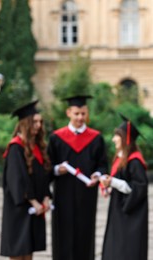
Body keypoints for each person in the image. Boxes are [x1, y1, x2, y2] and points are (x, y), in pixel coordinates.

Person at [47, 95, 109, 260]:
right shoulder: (56, 138)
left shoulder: (95, 138)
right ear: (68, 112)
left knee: (85, 231)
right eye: (76, 113)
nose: (80, 117)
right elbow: (47, 166)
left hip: (86, 195)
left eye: (83, 113)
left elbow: (102, 164)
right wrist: (56, 169)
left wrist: (97, 174)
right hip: (63, 194)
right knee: (62, 231)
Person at [0, 100, 52, 260]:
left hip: (33, 208)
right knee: (18, 252)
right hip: (19, 209)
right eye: (34, 121)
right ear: (25, 123)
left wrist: (46, 196)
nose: (38, 125)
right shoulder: (16, 148)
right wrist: (33, 201)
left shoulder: (36, 147)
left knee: (29, 251)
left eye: (40, 122)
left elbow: (43, 176)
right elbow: (16, 180)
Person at [100, 115, 148, 260]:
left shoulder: (135, 161)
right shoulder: (121, 158)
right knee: (115, 248)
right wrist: (108, 187)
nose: (114, 139)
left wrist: (112, 182)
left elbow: (138, 188)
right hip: (119, 210)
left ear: (126, 139)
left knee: (124, 250)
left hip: (129, 215)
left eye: (117, 136)